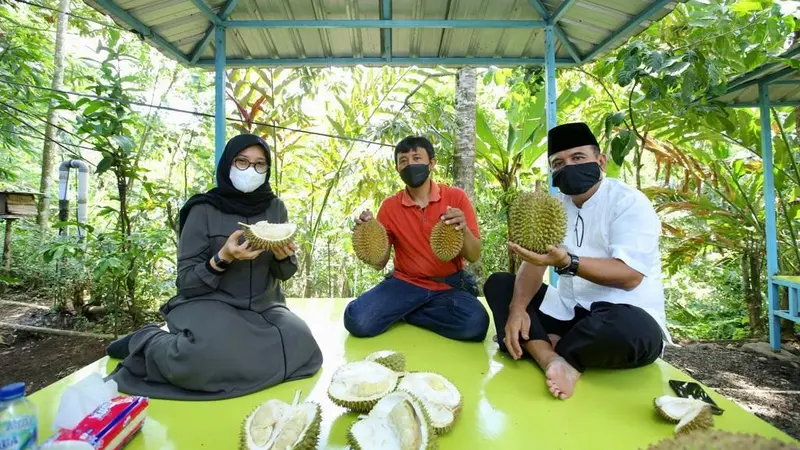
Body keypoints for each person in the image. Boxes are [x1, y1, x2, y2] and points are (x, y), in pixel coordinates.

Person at [104, 134, 323, 401]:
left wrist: (282, 257)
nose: (251, 170)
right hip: (211, 302)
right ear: (228, 164)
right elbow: (185, 282)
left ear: (267, 169)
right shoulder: (203, 209)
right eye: (242, 162)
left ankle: (236, 352)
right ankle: (146, 340)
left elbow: (285, 273)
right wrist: (222, 258)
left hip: (265, 306)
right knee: (206, 356)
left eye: (259, 164)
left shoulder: (275, 208)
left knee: (303, 346)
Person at [483, 122, 671, 400]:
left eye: (578, 158)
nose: (568, 166)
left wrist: (568, 262)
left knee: (629, 328)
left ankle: (546, 346)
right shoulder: (555, 205)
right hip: (571, 313)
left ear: (601, 161)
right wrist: (518, 308)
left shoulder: (628, 202)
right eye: (558, 163)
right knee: (500, 285)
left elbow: (630, 276)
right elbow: (535, 264)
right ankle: (554, 358)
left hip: (624, 315)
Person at [344, 136, 490, 342]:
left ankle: (405, 312)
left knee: (476, 324)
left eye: (417, 158)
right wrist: (369, 233)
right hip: (404, 284)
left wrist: (463, 227)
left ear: (431, 163)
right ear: (397, 168)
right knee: (357, 320)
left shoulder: (455, 198)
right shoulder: (390, 206)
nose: (410, 165)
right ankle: (408, 307)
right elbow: (380, 263)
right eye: (403, 161)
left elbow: (474, 255)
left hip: (446, 287)